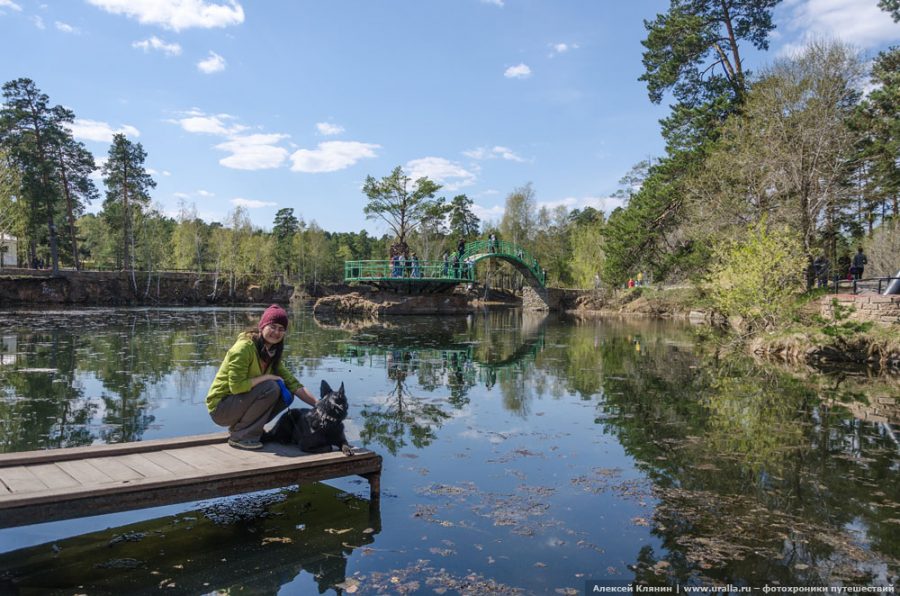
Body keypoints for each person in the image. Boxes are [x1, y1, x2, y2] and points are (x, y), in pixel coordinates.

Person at [206, 304, 317, 450]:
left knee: (287, 393)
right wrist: (267, 377)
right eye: (272, 326)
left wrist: (320, 405)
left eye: (281, 329)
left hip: (237, 404)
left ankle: (245, 429)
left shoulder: (272, 352)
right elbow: (236, 386)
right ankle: (241, 436)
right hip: (221, 408)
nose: (276, 332)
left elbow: (294, 384)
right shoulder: (244, 348)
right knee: (271, 386)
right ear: (262, 326)